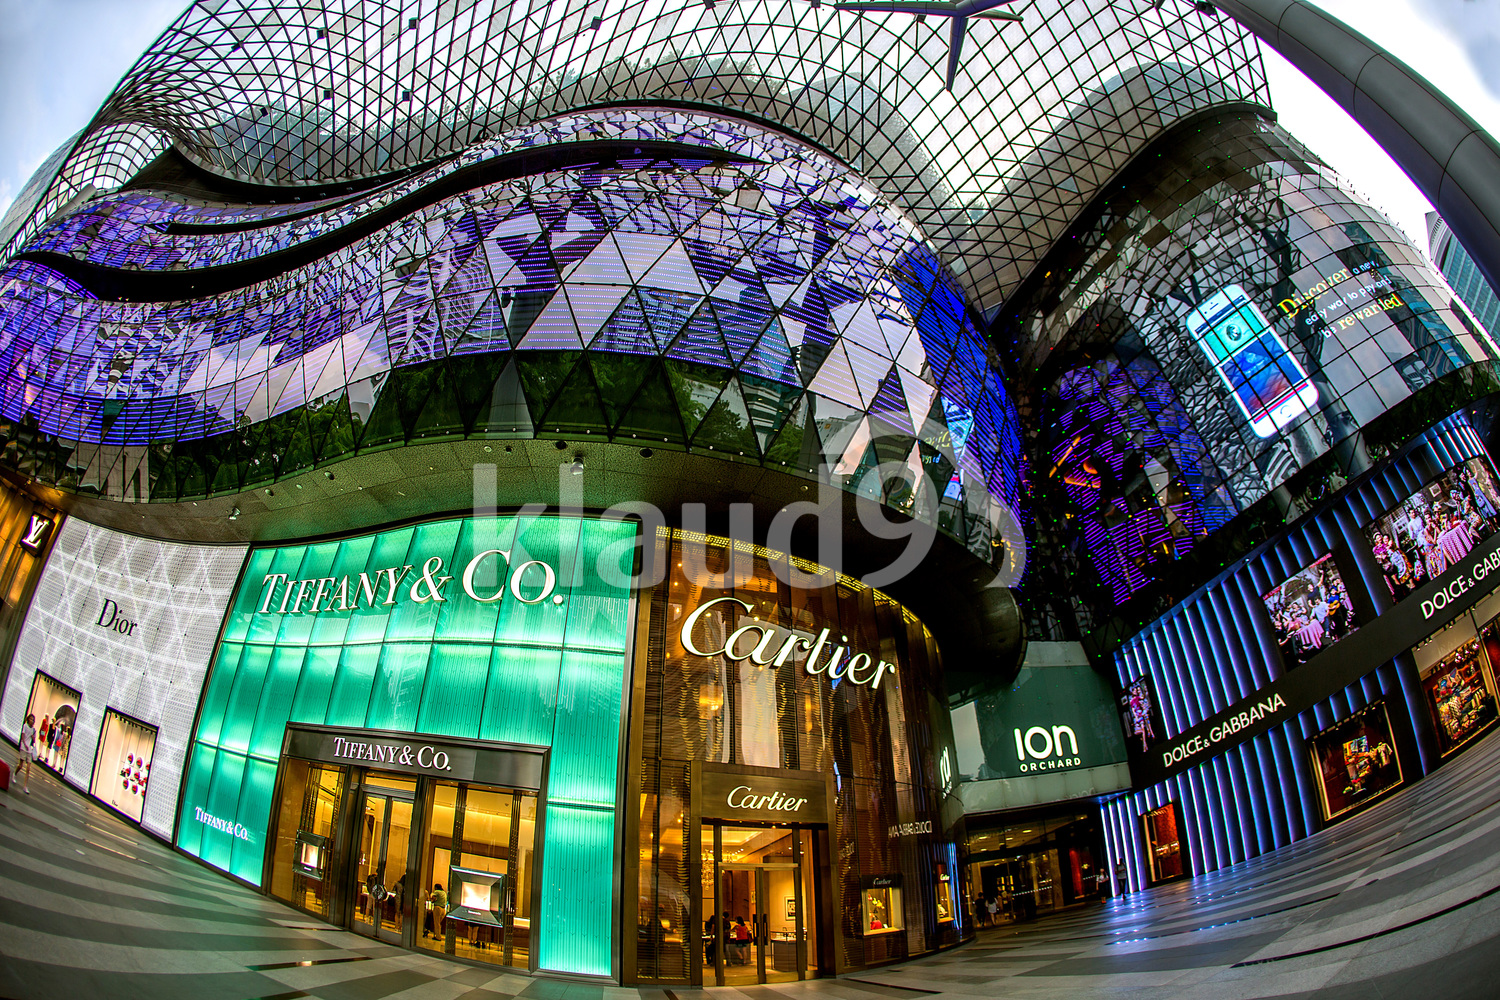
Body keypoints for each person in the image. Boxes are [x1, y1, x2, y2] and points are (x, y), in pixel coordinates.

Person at [16, 713, 36, 794]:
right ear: (28, 719)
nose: (32, 721)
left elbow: (33, 740)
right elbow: (23, 736)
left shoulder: (33, 729)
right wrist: (24, 744)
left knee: (28, 769)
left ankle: (25, 786)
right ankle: (15, 773)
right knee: (20, 766)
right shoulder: (25, 726)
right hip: (24, 747)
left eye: (33, 720)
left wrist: (33, 737)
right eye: (31, 719)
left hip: (29, 750)